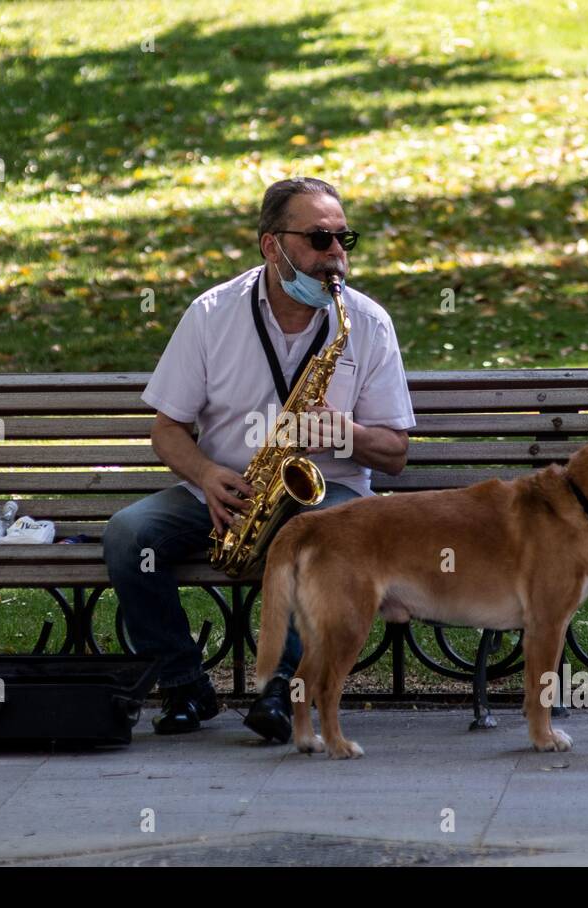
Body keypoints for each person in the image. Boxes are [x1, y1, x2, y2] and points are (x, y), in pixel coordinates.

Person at [103, 176, 416, 740]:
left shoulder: (366, 323)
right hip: (226, 491)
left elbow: (395, 453)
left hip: (327, 497)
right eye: (321, 240)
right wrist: (205, 474)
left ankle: (281, 690)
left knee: (309, 532)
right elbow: (167, 429)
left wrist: (346, 433)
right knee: (129, 535)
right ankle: (183, 685)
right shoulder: (212, 313)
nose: (337, 256)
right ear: (273, 246)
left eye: (345, 239)